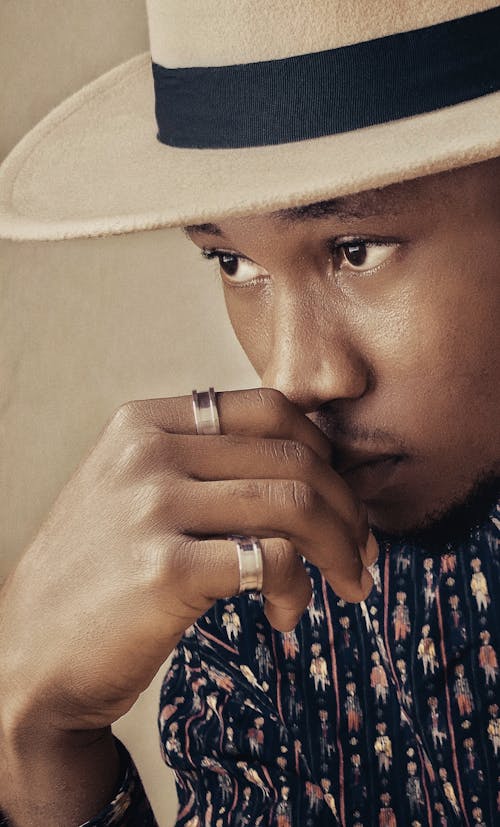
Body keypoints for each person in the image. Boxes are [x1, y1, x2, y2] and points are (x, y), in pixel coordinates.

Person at [0, 1, 499, 825]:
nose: (293, 373)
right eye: (232, 260)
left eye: (356, 249)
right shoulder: (268, 615)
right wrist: (34, 735)